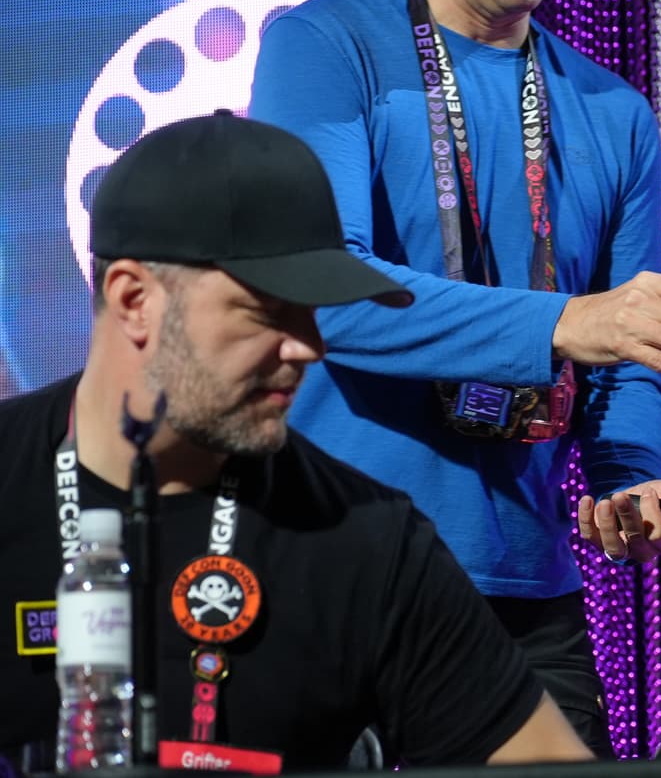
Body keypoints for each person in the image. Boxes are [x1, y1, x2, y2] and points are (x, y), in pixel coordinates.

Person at [249, 0, 661, 755]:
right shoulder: (324, 49)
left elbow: (628, 355)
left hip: (524, 587)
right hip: (337, 565)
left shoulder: (614, 111)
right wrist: (570, 322)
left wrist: (627, 474)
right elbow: (326, 292)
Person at [0, 112, 593, 768]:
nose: (309, 346)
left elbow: (540, 757)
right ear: (134, 299)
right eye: (268, 312)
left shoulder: (366, 534)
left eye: (312, 312)